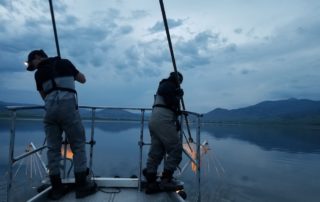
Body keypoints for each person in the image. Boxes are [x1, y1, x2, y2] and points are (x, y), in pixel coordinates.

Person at [25, 49, 97, 200]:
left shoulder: (38, 74)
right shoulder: (65, 63)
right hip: (68, 110)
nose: (34, 67)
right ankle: (82, 186)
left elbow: (44, 96)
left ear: (38, 57)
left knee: (53, 150)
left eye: (32, 63)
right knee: (78, 146)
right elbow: (83, 79)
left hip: (50, 111)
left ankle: (57, 189)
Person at [143, 71, 184, 194]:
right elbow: (171, 101)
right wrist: (178, 95)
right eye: (180, 81)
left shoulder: (164, 85)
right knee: (176, 150)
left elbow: (169, 104)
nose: (180, 83)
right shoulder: (168, 85)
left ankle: (151, 179)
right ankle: (166, 179)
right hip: (163, 121)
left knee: (157, 151)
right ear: (177, 79)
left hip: (155, 120)